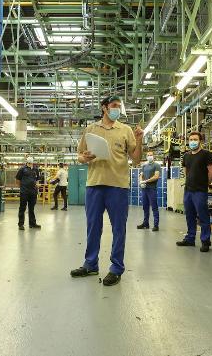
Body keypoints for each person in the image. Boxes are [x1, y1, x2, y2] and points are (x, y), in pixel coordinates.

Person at [70, 96, 143, 286]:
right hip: (94, 184)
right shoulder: (91, 129)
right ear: (104, 108)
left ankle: (116, 268)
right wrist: (84, 158)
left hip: (118, 186)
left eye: (119, 106)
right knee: (93, 227)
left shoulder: (126, 130)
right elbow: (79, 156)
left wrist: (140, 140)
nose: (117, 109)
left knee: (119, 229)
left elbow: (135, 160)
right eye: (113, 106)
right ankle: (90, 264)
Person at [176, 131, 212, 252]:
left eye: (195, 139)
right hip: (188, 190)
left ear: (200, 141)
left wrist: (206, 183)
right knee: (189, 215)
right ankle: (190, 238)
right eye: (191, 139)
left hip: (200, 190)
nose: (192, 142)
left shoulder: (206, 154)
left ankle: (205, 241)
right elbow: (185, 171)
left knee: (202, 216)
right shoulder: (186, 156)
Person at [136, 151, 161, 231]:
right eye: (148, 155)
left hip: (151, 189)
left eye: (151, 155)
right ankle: (145, 223)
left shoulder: (156, 165)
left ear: (153, 156)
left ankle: (156, 225)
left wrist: (145, 181)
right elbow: (141, 175)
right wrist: (141, 181)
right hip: (144, 189)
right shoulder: (144, 166)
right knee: (145, 207)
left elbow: (156, 176)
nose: (150, 156)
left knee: (154, 207)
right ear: (146, 156)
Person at [16, 156, 42, 230]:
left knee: (32, 208)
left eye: (31, 163)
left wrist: (37, 185)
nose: (30, 164)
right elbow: (17, 180)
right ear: (27, 162)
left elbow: (37, 179)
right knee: (22, 208)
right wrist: (21, 188)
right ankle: (21, 224)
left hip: (33, 192)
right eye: (29, 163)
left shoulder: (36, 170)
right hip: (24, 192)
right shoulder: (22, 169)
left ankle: (32, 224)